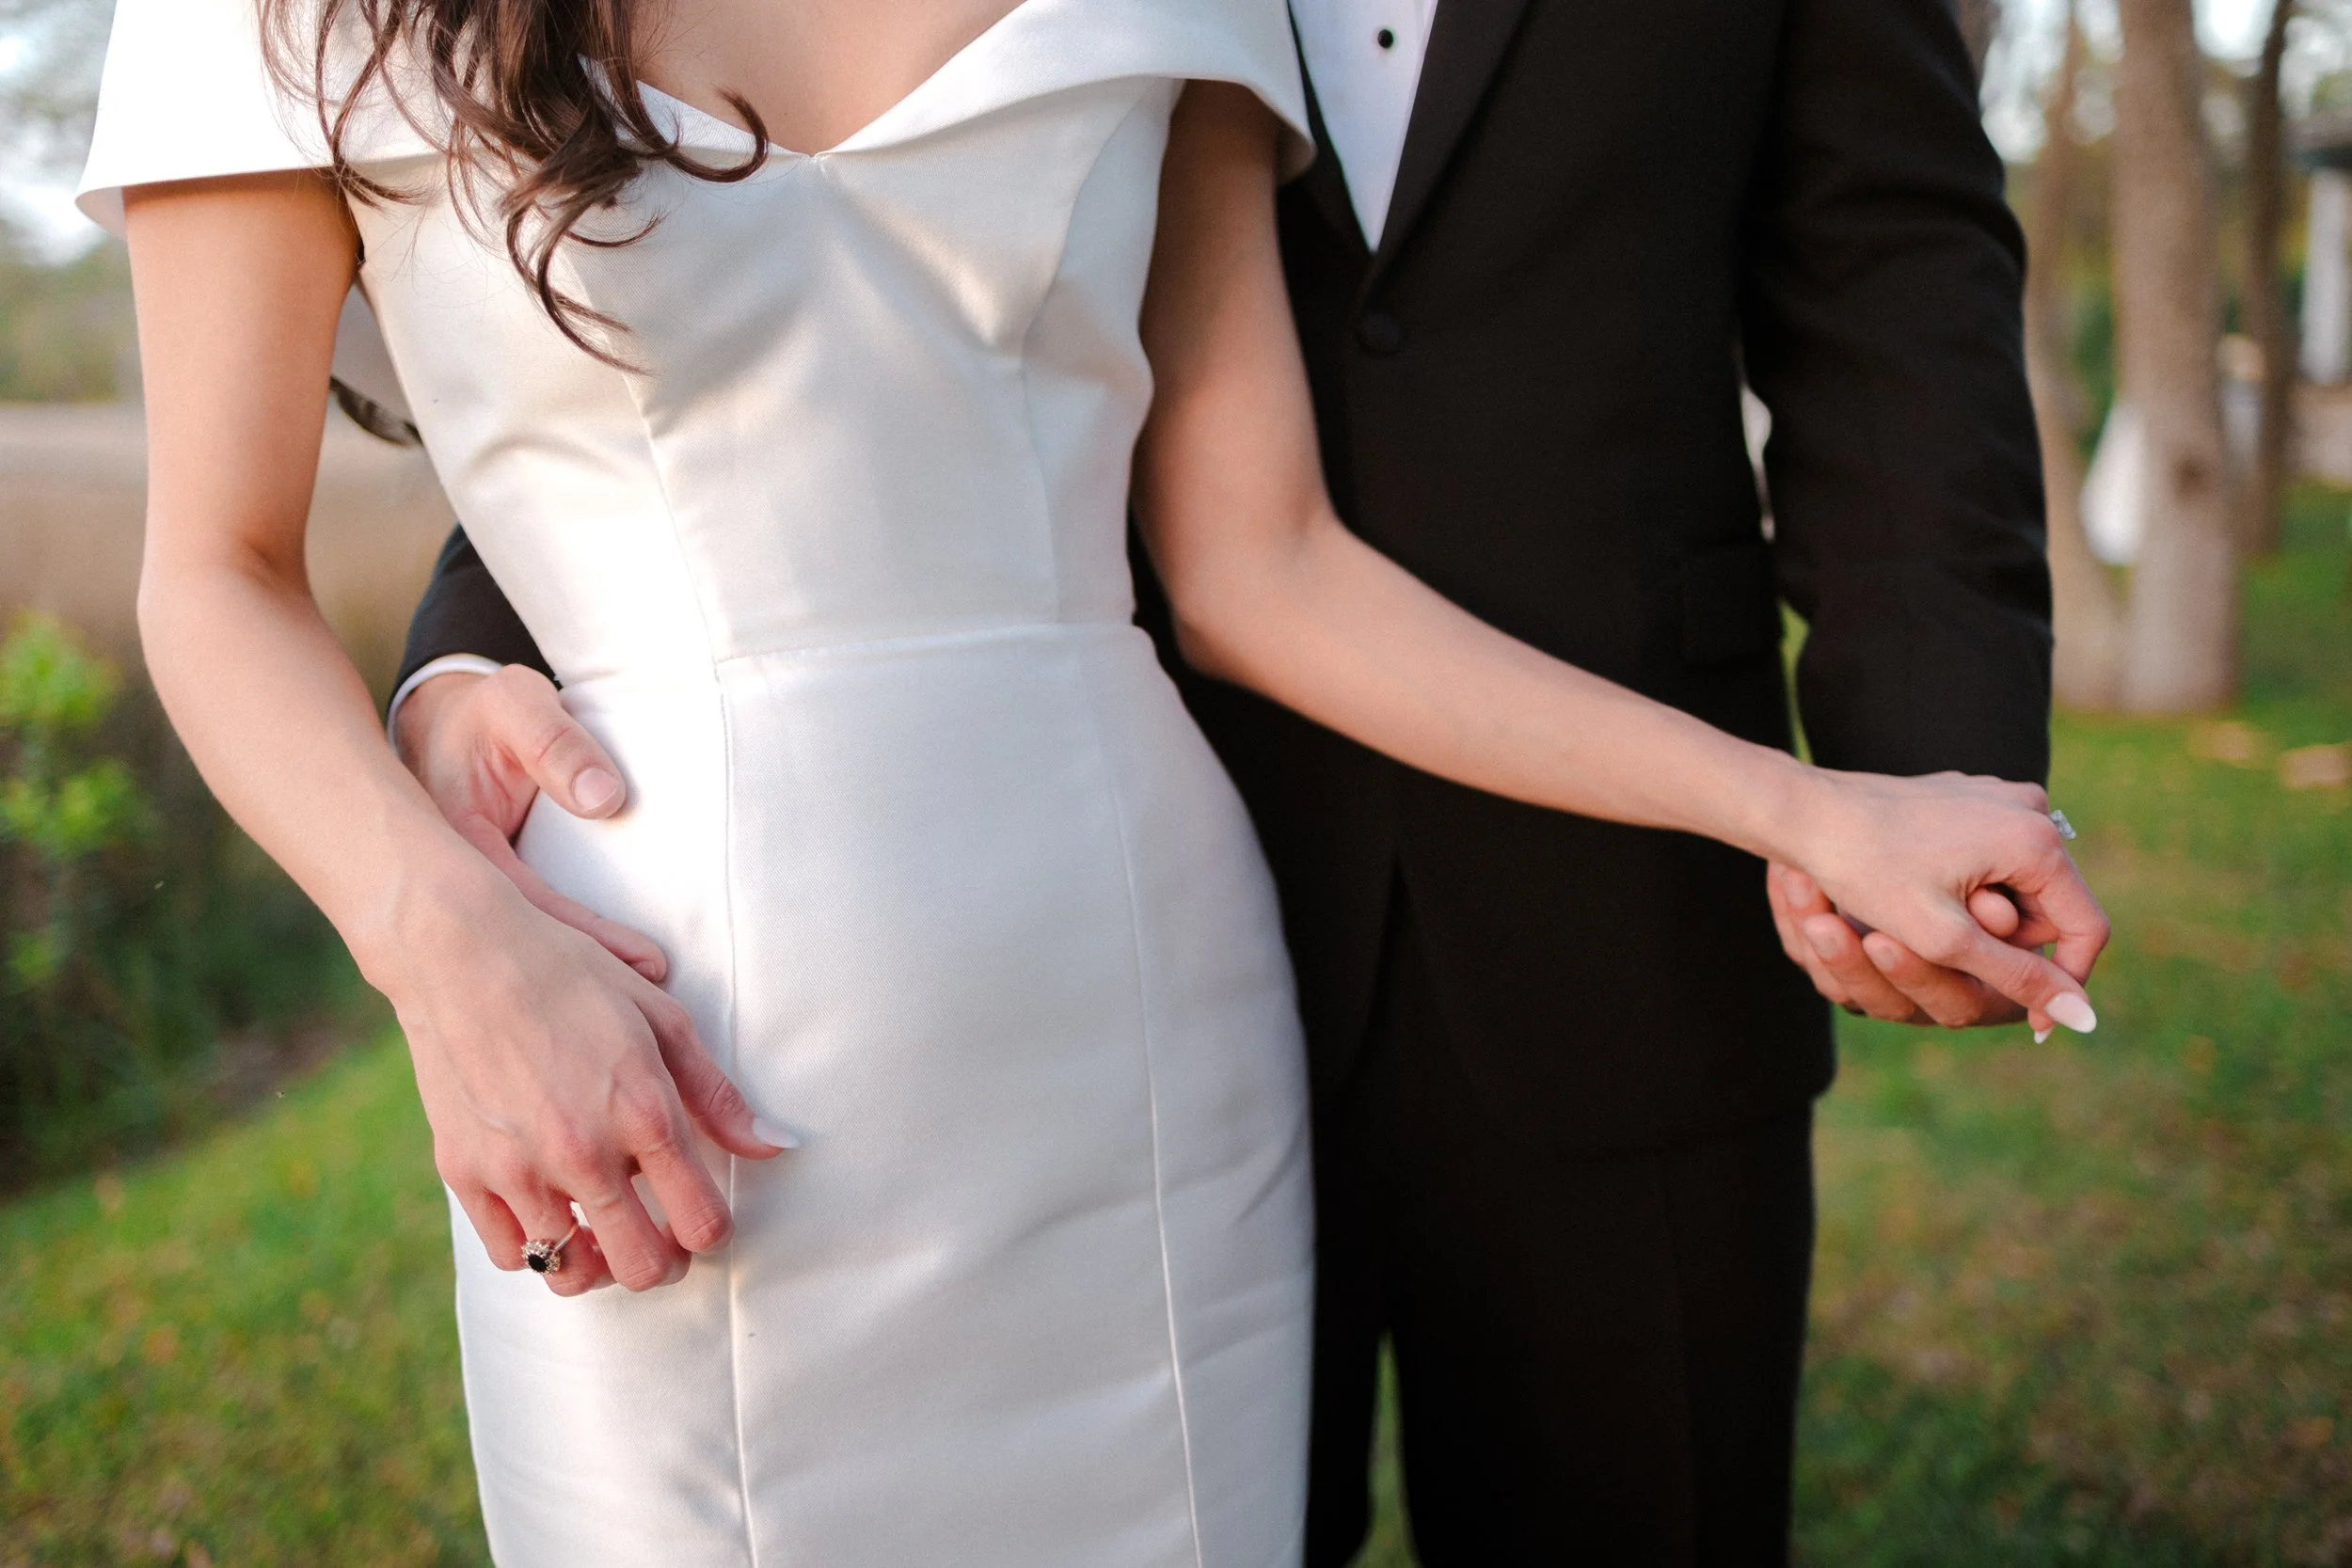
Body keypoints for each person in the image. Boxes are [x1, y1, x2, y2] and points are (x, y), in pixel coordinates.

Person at [93, 0, 2106, 1560]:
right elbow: (222, 567)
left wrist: (1808, 802)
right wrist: (441, 927)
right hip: (656, 1050)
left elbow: (1262, 564)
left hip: (1146, 1035)